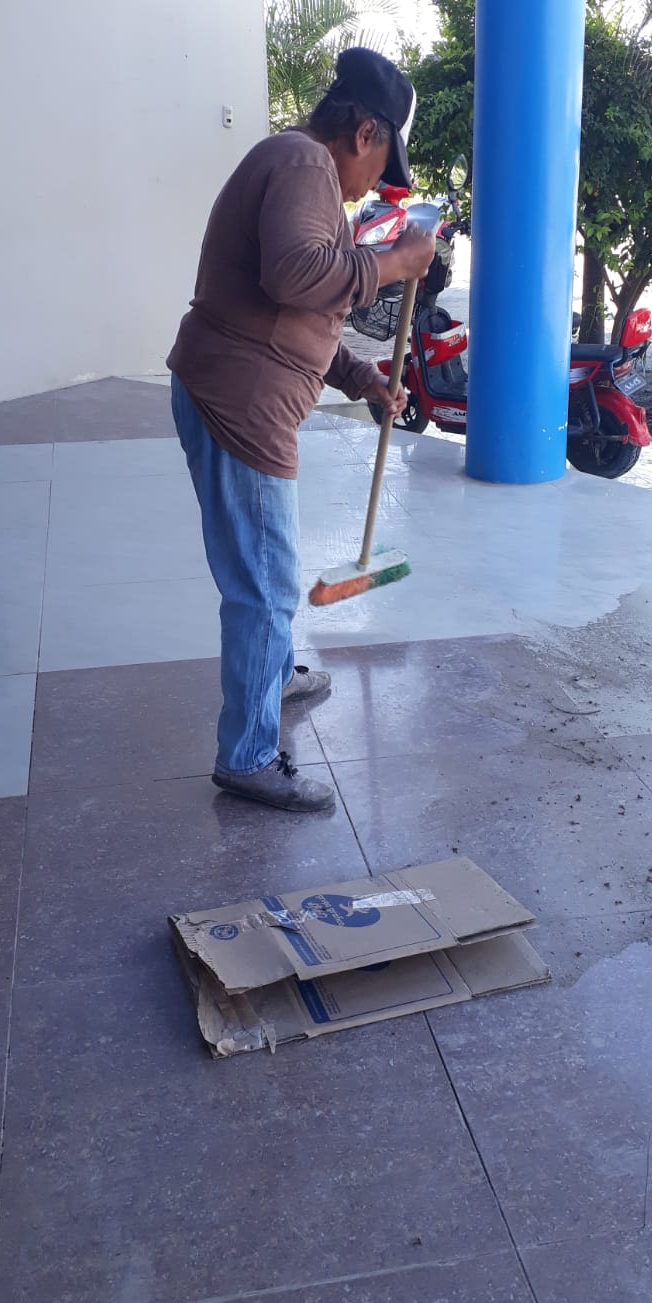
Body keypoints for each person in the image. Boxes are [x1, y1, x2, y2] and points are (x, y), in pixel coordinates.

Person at [167, 48, 435, 813]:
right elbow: (293, 275)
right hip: (241, 402)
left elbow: (297, 311)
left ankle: (275, 675)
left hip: (236, 389)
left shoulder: (300, 169)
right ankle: (248, 756)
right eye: (382, 162)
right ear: (364, 133)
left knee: (262, 567)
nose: (376, 183)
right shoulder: (303, 163)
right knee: (266, 581)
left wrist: (359, 377)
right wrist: (391, 262)